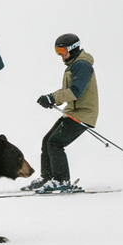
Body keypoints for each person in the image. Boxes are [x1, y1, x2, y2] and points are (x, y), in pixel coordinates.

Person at [24, 33, 98, 194]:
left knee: (55, 143)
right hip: (73, 112)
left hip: (83, 114)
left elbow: (76, 91)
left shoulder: (82, 65)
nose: (60, 55)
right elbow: (68, 91)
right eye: (57, 51)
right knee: (47, 141)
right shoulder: (73, 65)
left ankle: (61, 180)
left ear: (73, 49)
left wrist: (53, 98)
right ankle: (48, 177)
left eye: (62, 51)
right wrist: (52, 98)